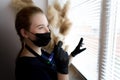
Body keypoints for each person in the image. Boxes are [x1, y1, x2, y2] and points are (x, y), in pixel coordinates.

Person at [15, 6, 86, 80]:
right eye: (41, 27)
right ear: (24, 33)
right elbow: (61, 72)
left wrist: (72, 55)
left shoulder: (40, 51)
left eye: (47, 26)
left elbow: (56, 69)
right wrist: (63, 70)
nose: (48, 31)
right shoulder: (29, 69)